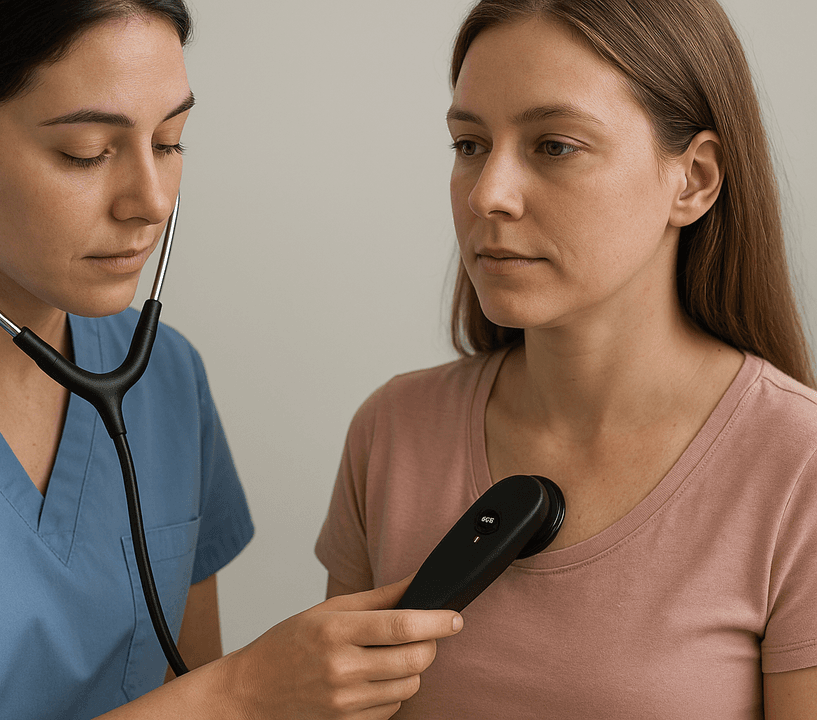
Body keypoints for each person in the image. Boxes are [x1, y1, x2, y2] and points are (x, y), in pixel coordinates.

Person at [0, 1, 464, 718]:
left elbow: (186, 689)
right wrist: (245, 691)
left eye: (170, 141)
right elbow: (215, 702)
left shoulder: (165, 374)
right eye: (86, 152)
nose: (150, 201)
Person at [315, 0, 817, 717]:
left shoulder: (799, 467)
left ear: (694, 179)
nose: (488, 194)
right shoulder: (393, 430)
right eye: (469, 144)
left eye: (554, 145)